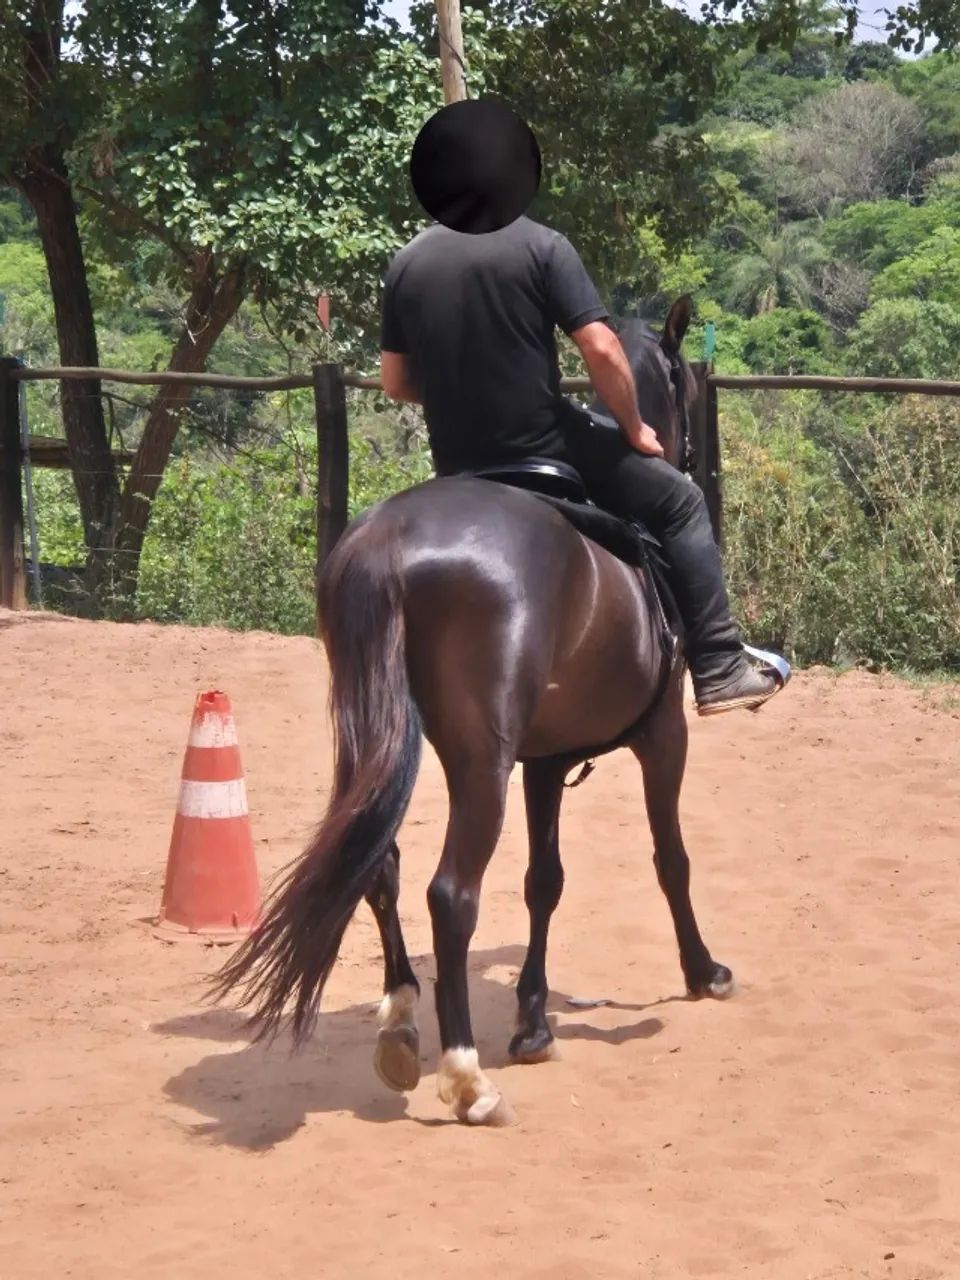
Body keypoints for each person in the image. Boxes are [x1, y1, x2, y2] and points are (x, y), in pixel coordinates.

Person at [377, 100, 784, 716]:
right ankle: (722, 664)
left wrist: (466, 393)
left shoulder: (406, 263)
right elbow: (600, 348)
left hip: (457, 459)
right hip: (544, 445)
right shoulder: (542, 246)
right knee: (681, 501)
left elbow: (395, 383)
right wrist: (634, 426)